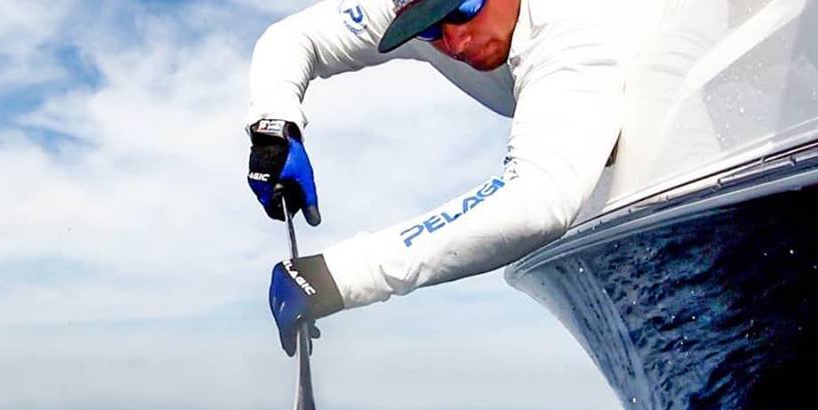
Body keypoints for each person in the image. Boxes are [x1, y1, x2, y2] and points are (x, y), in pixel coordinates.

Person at [247, 0, 671, 355]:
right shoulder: (405, 7)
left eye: (461, 10)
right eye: (429, 29)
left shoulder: (571, 29)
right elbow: (294, 38)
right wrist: (273, 126)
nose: (454, 42)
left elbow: (538, 202)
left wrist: (339, 276)